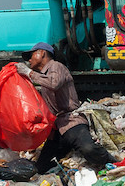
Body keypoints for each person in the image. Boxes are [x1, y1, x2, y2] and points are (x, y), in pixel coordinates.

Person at [16, 42, 114, 172]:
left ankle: (114, 161)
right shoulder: (43, 76)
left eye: (31, 55)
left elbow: (54, 83)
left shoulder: (56, 66)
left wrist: (29, 73)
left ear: (42, 53)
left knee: (88, 148)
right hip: (58, 127)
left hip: (71, 122)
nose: (29, 60)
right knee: (42, 166)